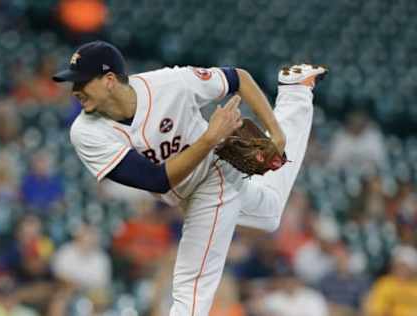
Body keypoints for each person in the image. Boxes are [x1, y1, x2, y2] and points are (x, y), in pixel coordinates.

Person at [53, 40, 327, 316]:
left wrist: (276, 133)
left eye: (82, 82)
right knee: (268, 214)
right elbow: (156, 180)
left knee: (192, 285)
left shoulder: (170, 84)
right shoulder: (86, 132)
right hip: (181, 189)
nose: (75, 90)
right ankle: (295, 93)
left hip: (216, 172)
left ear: (109, 80)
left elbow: (237, 78)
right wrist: (209, 138)